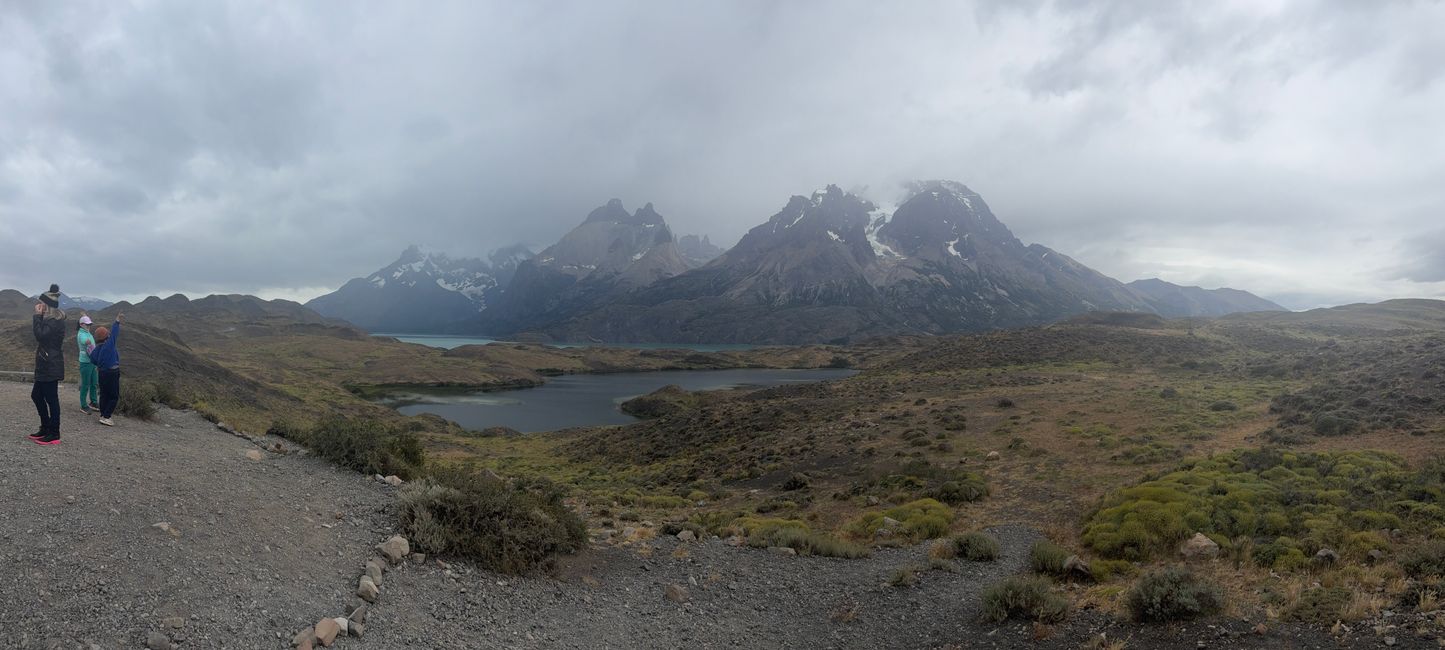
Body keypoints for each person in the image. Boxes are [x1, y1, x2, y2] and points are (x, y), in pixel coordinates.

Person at [28, 284, 66, 445]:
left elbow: (40, 336)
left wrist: (37, 316)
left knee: (51, 399)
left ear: (47, 305)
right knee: (37, 395)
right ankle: (45, 427)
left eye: (41, 303)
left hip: (50, 365)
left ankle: (54, 432)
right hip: (46, 364)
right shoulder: (50, 319)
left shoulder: (54, 322)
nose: (39, 306)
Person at [89, 312, 124, 427]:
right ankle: (106, 416)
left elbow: (93, 359)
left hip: (102, 373)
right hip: (112, 373)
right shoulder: (109, 345)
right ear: (107, 336)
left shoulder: (97, 348)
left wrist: (99, 365)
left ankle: (103, 414)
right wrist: (117, 321)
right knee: (113, 396)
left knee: (104, 394)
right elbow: (114, 333)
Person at [77, 313, 99, 414]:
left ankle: (93, 402)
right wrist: (88, 342)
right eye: (87, 324)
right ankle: (83, 405)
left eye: (89, 324)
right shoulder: (81, 334)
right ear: (81, 324)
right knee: (85, 384)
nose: (89, 326)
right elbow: (84, 340)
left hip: (92, 361)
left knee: (94, 382)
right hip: (85, 362)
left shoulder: (87, 332)